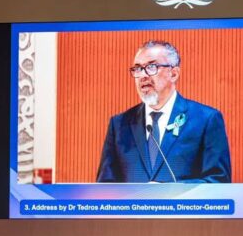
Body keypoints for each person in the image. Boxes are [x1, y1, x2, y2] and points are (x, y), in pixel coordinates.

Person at [96, 40, 232, 183]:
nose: (143, 75)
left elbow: (218, 181)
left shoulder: (206, 120)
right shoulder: (119, 125)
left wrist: (166, 191)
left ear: (174, 74)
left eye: (151, 67)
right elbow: (105, 186)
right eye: (138, 69)